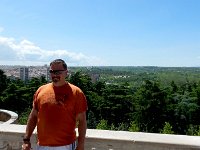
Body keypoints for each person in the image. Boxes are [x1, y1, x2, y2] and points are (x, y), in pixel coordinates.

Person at [22, 59, 87, 150]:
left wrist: (81, 144)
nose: (54, 75)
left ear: (66, 73)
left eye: (58, 72)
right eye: (52, 72)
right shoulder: (41, 90)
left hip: (66, 146)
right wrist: (26, 140)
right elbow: (33, 117)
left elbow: (82, 121)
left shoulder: (76, 93)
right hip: (42, 145)